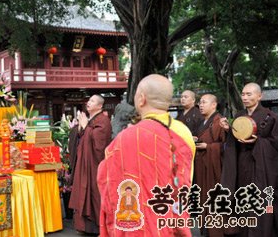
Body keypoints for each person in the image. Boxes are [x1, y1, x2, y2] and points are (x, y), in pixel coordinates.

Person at [97, 74, 196, 236]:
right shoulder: (183, 132)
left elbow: (106, 180)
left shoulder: (125, 138)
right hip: (170, 218)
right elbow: (183, 180)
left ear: (141, 99)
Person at [220, 83, 277, 237]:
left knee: (261, 205)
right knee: (244, 202)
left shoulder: (271, 117)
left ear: (259, 96)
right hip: (242, 166)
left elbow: (275, 143)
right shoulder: (239, 116)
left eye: (249, 94)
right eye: (243, 94)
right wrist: (228, 130)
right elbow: (233, 141)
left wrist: (258, 142)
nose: (245, 97)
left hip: (262, 169)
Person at [68, 94, 112, 234]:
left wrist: (86, 127)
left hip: (94, 164)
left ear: (99, 106)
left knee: (94, 193)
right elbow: (83, 136)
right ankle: (85, 227)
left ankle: (98, 226)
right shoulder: (92, 119)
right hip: (85, 163)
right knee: (83, 191)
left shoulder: (103, 120)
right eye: (88, 100)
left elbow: (99, 142)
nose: (88, 102)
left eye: (92, 100)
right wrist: (79, 129)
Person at [195, 94, 225, 237]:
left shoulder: (219, 121)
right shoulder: (204, 122)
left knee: (213, 197)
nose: (200, 105)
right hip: (202, 165)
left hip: (214, 169)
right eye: (199, 102)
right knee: (203, 197)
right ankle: (205, 229)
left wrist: (208, 146)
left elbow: (227, 146)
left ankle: (216, 231)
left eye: (204, 102)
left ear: (214, 105)